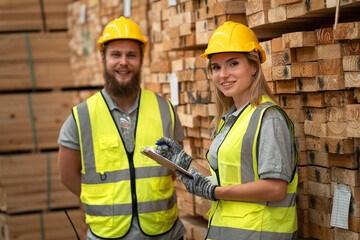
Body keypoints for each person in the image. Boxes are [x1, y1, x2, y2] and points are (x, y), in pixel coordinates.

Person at [156, 21, 298, 240]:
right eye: (216, 67)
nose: (223, 74)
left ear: (253, 66)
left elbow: (275, 188)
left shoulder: (268, 118)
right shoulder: (231, 119)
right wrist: (183, 162)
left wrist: (214, 192)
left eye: (233, 64)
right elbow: (224, 180)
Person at [58, 16, 186, 240]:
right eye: (116, 54)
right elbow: (67, 175)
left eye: (131, 55)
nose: (123, 62)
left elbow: (177, 166)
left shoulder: (164, 109)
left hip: (164, 232)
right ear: (103, 58)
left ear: (141, 59)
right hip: (108, 235)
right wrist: (104, 201)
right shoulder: (81, 117)